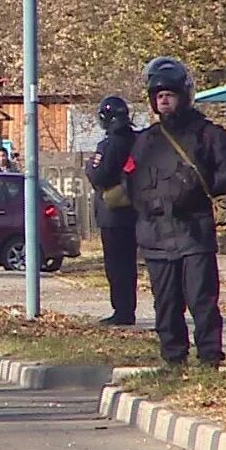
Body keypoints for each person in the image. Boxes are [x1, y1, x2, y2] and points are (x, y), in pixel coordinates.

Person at [125, 57, 226, 368]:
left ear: (184, 96)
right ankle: (173, 359)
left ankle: (209, 357)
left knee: (201, 300)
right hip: (155, 235)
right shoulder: (145, 141)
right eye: (158, 95)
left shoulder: (208, 134)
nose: (164, 99)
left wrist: (200, 183)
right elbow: (128, 181)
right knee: (165, 303)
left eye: (170, 94)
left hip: (194, 232)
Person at [84, 95, 138, 326]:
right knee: (131, 264)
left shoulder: (110, 144)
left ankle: (122, 311)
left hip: (113, 212)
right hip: (135, 209)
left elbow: (98, 174)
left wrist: (89, 165)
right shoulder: (137, 140)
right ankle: (128, 308)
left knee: (116, 265)